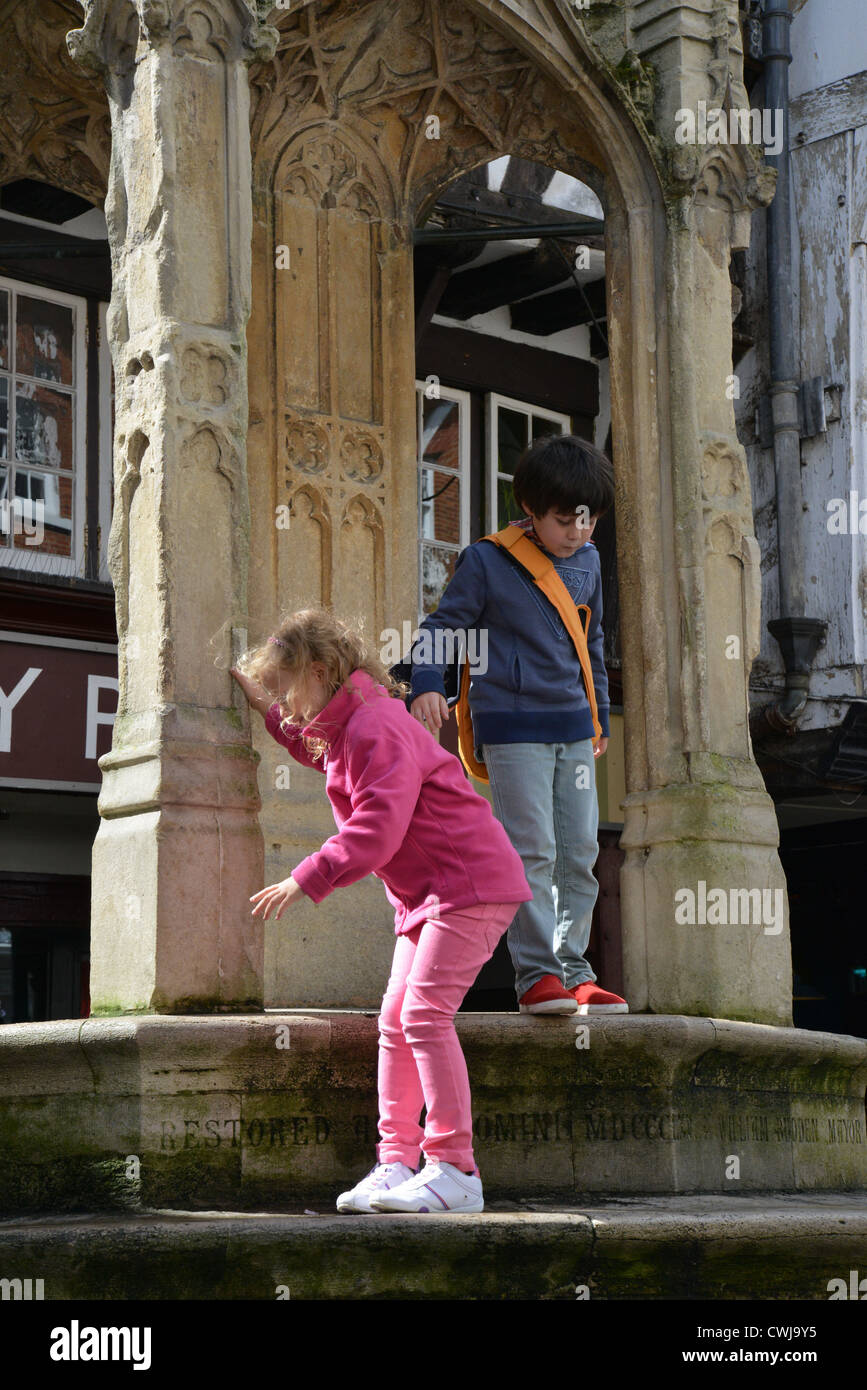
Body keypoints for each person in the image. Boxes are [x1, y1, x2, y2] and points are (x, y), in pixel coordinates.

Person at [230, 607, 532, 1215]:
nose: (286, 705)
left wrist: (303, 878)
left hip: (469, 884)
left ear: (318, 673)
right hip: (433, 895)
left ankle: (454, 1171)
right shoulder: (348, 723)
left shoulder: (374, 726)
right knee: (395, 1020)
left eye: (288, 689)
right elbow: (312, 746)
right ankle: (397, 1161)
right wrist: (262, 703)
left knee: (422, 1015)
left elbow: (375, 833)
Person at [409, 433, 629, 1017]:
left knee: (580, 851)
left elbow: (593, 640)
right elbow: (444, 625)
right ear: (531, 510)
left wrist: (600, 713)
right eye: (564, 520)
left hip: (575, 727)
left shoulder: (589, 560)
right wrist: (427, 683)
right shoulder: (487, 558)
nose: (578, 531)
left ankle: (577, 972)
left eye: (588, 519)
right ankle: (536, 978)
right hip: (511, 725)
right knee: (530, 850)